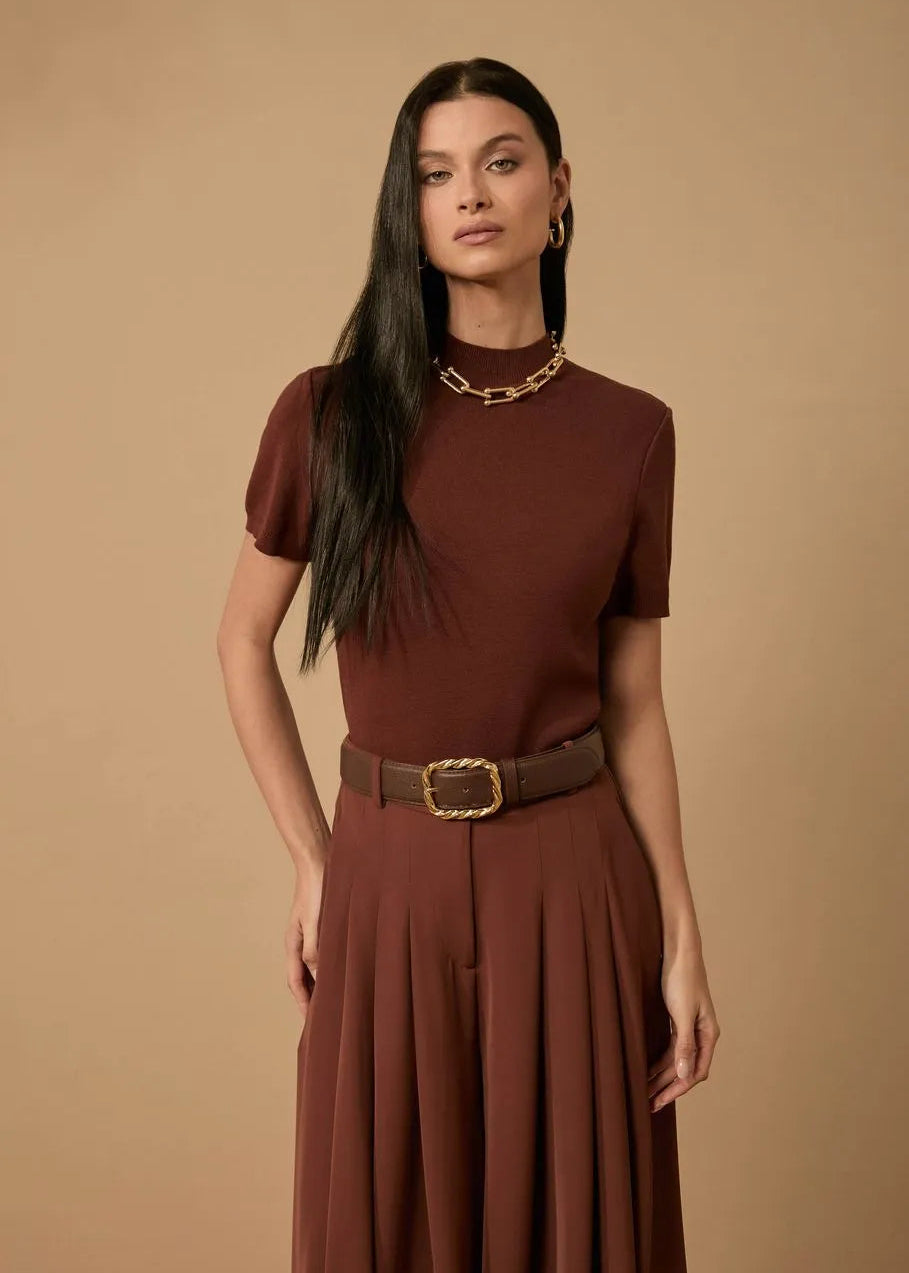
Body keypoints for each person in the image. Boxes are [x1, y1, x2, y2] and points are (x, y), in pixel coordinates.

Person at [217, 55, 720, 1273]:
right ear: (411, 210)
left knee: (576, 1229)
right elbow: (240, 642)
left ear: (558, 190)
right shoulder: (332, 414)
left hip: (574, 872)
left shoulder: (630, 431)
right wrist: (311, 861)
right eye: (435, 172)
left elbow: (636, 705)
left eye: (501, 161)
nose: (471, 193)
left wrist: (684, 932)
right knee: (383, 1226)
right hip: (386, 875)